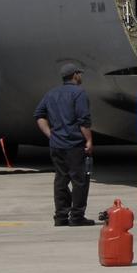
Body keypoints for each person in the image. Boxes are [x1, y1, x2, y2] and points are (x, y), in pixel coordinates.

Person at [34, 63, 95, 227]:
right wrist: (89, 140)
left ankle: (60, 216)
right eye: (79, 74)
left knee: (61, 180)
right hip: (74, 144)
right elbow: (83, 120)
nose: (80, 76)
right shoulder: (79, 93)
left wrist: (50, 134)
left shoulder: (51, 93)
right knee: (80, 181)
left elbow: (39, 115)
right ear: (75, 75)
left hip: (56, 144)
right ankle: (77, 216)